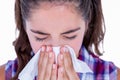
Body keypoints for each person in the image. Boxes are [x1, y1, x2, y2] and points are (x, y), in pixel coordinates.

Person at [0, 0, 120, 80]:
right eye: (40, 37)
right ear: (25, 27)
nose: (56, 49)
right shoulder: (5, 75)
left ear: (87, 24)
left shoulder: (111, 76)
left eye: (70, 36)